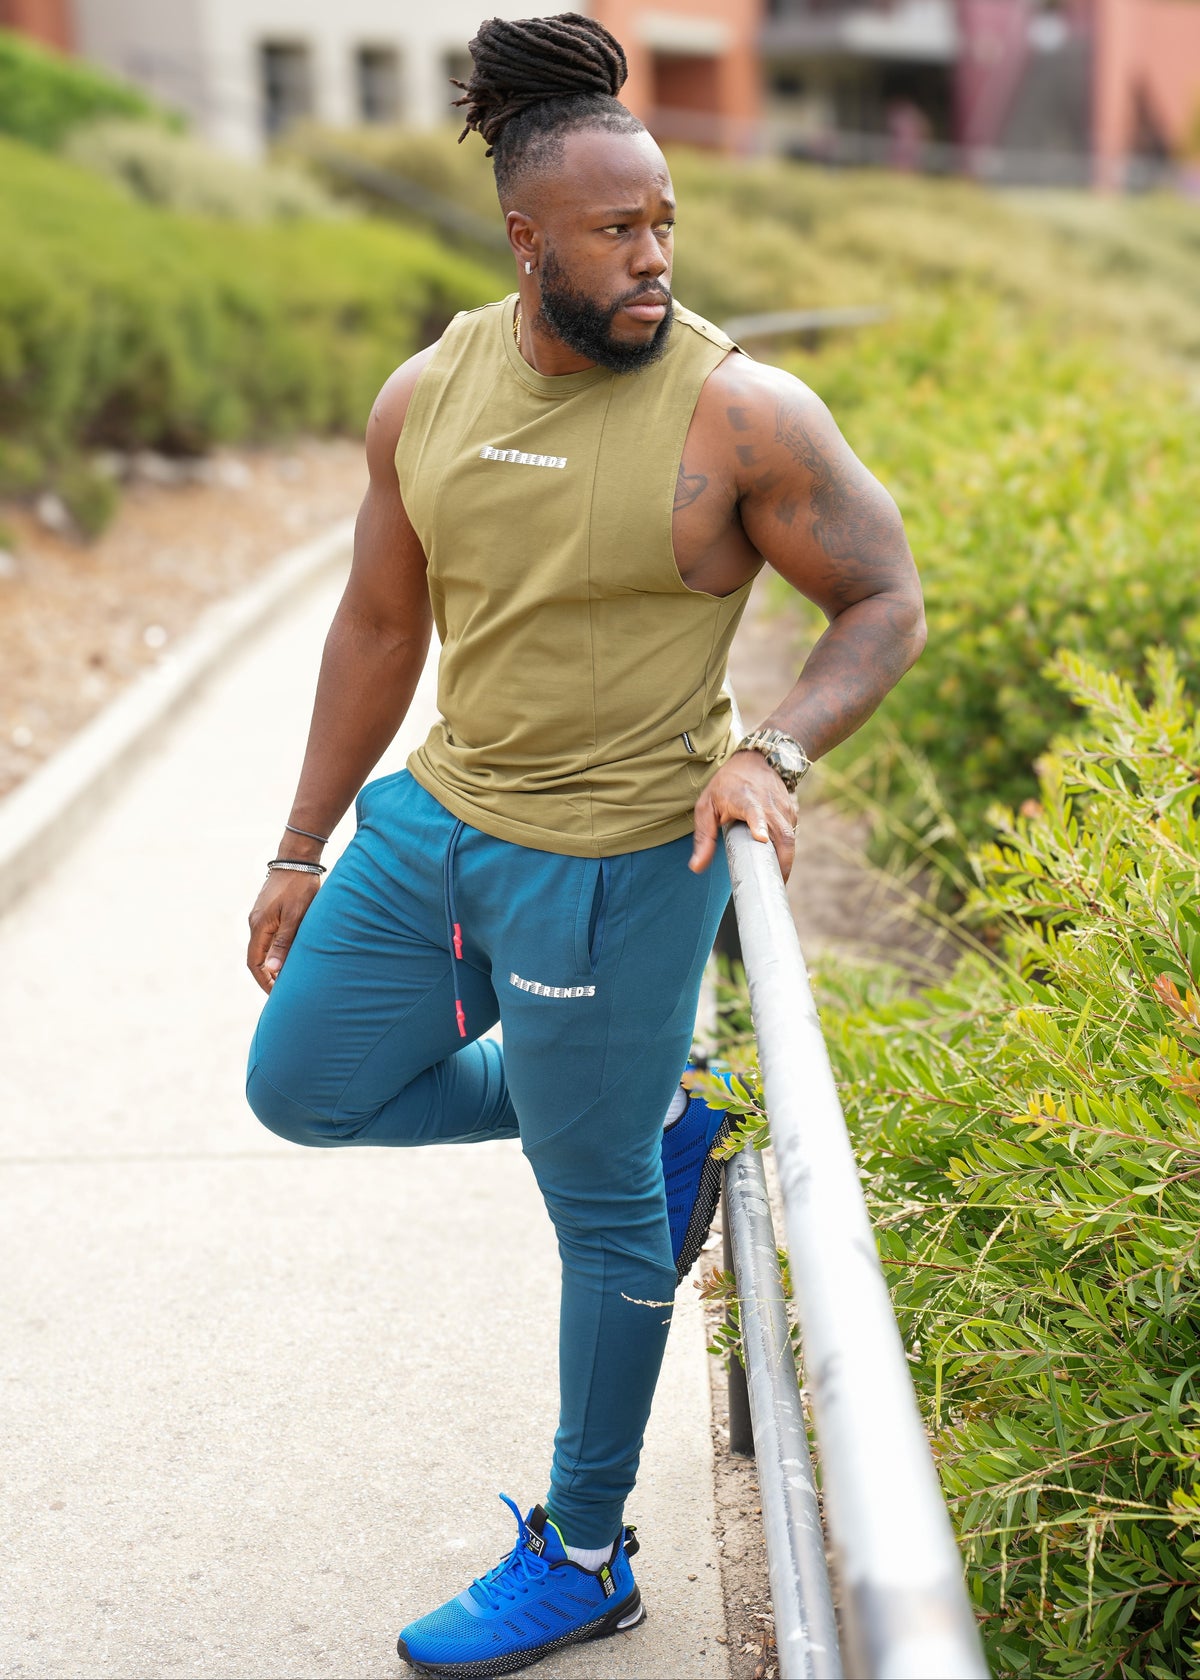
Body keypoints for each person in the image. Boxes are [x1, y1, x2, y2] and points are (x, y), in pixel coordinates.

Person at [244, 12, 925, 1676]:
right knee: (303, 1086)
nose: (654, 258)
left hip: (622, 859)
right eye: (619, 232)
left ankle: (590, 1550)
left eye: (668, 223)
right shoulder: (430, 394)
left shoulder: (740, 414)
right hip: (442, 817)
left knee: (601, 1214)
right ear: (525, 237)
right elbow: (375, 627)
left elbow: (885, 600)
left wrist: (770, 750)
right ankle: (650, 1106)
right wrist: (301, 842)